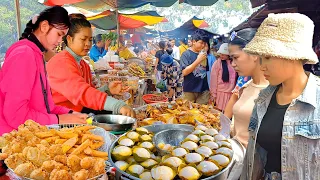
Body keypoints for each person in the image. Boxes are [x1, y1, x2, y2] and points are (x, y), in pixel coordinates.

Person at [241, 13, 320, 180]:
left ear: (293, 56)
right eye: (260, 58)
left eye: (268, 57)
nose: (261, 66)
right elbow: (254, 158)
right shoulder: (264, 97)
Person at [0, 6, 88, 135]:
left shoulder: (37, 55)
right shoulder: (24, 54)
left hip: (30, 133)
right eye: (59, 34)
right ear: (44, 26)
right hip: (13, 141)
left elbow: (46, 107)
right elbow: (15, 115)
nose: (60, 41)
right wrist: (59, 119)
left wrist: (70, 114)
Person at [47, 15, 135, 117]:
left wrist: (107, 89)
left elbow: (89, 94)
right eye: (83, 39)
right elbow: (81, 93)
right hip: (60, 119)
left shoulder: (83, 64)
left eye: (90, 40)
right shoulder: (61, 62)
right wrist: (117, 105)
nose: (88, 44)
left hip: (79, 111)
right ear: (70, 39)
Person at [181, 30, 210, 104]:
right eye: (201, 43)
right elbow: (184, 72)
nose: (203, 45)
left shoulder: (203, 54)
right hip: (189, 90)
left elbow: (206, 71)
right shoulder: (186, 54)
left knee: (202, 113)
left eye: (204, 43)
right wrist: (198, 60)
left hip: (203, 89)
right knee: (188, 113)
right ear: (194, 41)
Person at [210, 43, 236, 111]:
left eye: (224, 54)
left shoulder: (233, 63)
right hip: (220, 93)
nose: (221, 55)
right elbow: (213, 80)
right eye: (221, 53)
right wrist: (214, 94)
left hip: (231, 93)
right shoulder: (217, 63)